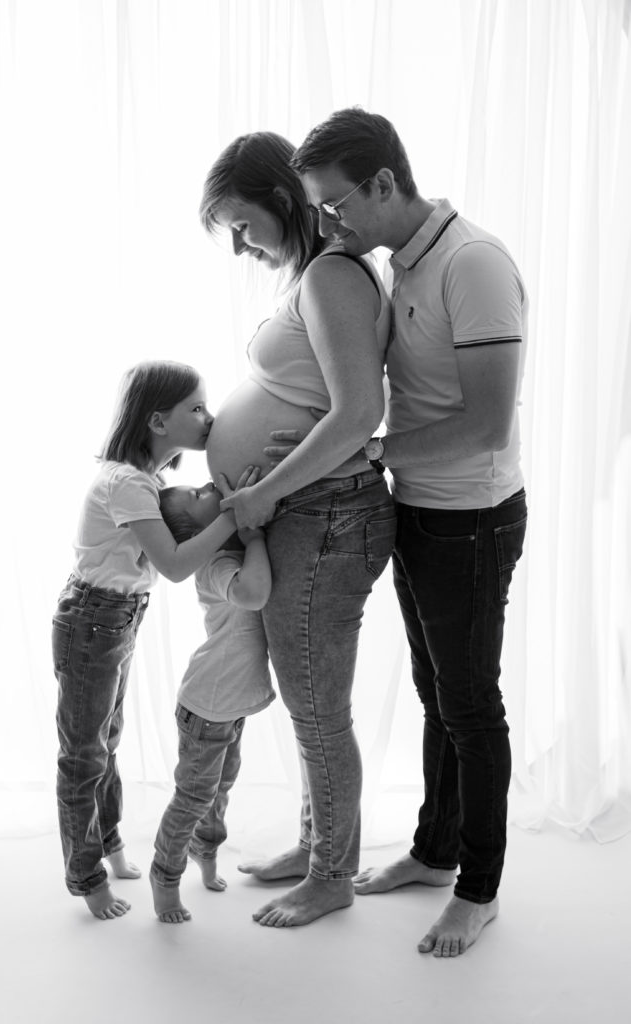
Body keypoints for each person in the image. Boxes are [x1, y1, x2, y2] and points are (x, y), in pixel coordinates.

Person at [289, 107, 529, 957]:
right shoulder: (402, 265)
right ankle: (433, 852)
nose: (326, 223)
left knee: (469, 705)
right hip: (422, 512)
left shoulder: (472, 263)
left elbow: (488, 425)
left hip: (471, 519)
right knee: (437, 696)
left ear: (384, 183)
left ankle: (478, 887)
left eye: (334, 204)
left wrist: (373, 448)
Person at [200, 131, 397, 927]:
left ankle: (332, 874)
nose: (240, 245)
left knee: (318, 705)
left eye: (243, 224)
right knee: (307, 694)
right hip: (308, 513)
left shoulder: (329, 275)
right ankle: (320, 841)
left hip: (326, 515)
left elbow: (359, 412)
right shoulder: (309, 276)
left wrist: (261, 493)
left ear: (283, 199)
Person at [52, 360, 257, 920]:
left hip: (115, 617)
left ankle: (111, 842)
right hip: (93, 619)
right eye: (196, 408)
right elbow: (172, 565)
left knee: (106, 739)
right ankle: (86, 875)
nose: (208, 418)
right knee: (84, 752)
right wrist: (236, 514)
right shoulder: (127, 483)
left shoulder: (150, 483)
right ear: (158, 421)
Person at [149, 480, 273, 923]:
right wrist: (255, 535)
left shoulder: (231, 553)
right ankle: (164, 876)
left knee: (220, 788)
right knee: (194, 797)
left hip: (227, 704)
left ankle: (205, 851)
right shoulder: (218, 564)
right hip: (207, 705)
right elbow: (254, 594)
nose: (206, 485)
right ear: (196, 534)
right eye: (198, 498)